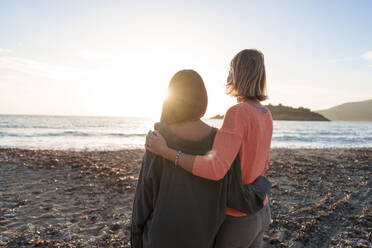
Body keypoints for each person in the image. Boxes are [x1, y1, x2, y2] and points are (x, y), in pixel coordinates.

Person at [146, 49, 273, 248]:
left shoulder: (237, 113)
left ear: (239, 74)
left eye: (231, 70)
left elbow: (215, 169)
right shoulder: (265, 114)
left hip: (238, 217)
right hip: (261, 208)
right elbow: (263, 163)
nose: (228, 76)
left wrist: (166, 152)